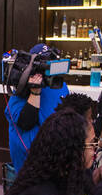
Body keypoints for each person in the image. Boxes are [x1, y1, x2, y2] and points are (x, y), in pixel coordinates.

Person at [5, 44, 69, 173]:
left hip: (56, 159)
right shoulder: (22, 88)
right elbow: (25, 122)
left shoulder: (59, 85)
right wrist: (35, 92)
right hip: (29, 164)